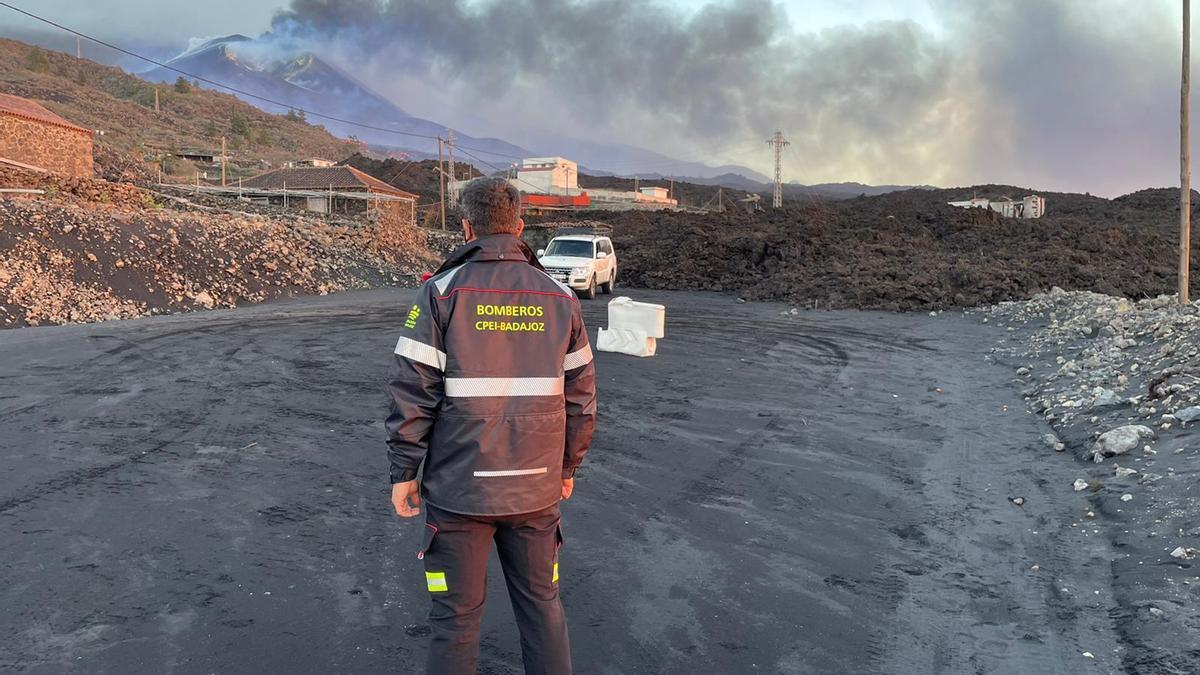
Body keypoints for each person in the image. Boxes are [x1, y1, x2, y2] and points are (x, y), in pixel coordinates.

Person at [386, 176, 597, 675]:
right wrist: (568, 466)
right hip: (536, 491)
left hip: (459, 493)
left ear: (466, 227)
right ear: (520, 225)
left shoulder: (439, 295)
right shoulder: (561, 299)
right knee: (542, 608)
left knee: (455, 620)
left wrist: (403, 471)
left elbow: (413, 391)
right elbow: (581, 399)